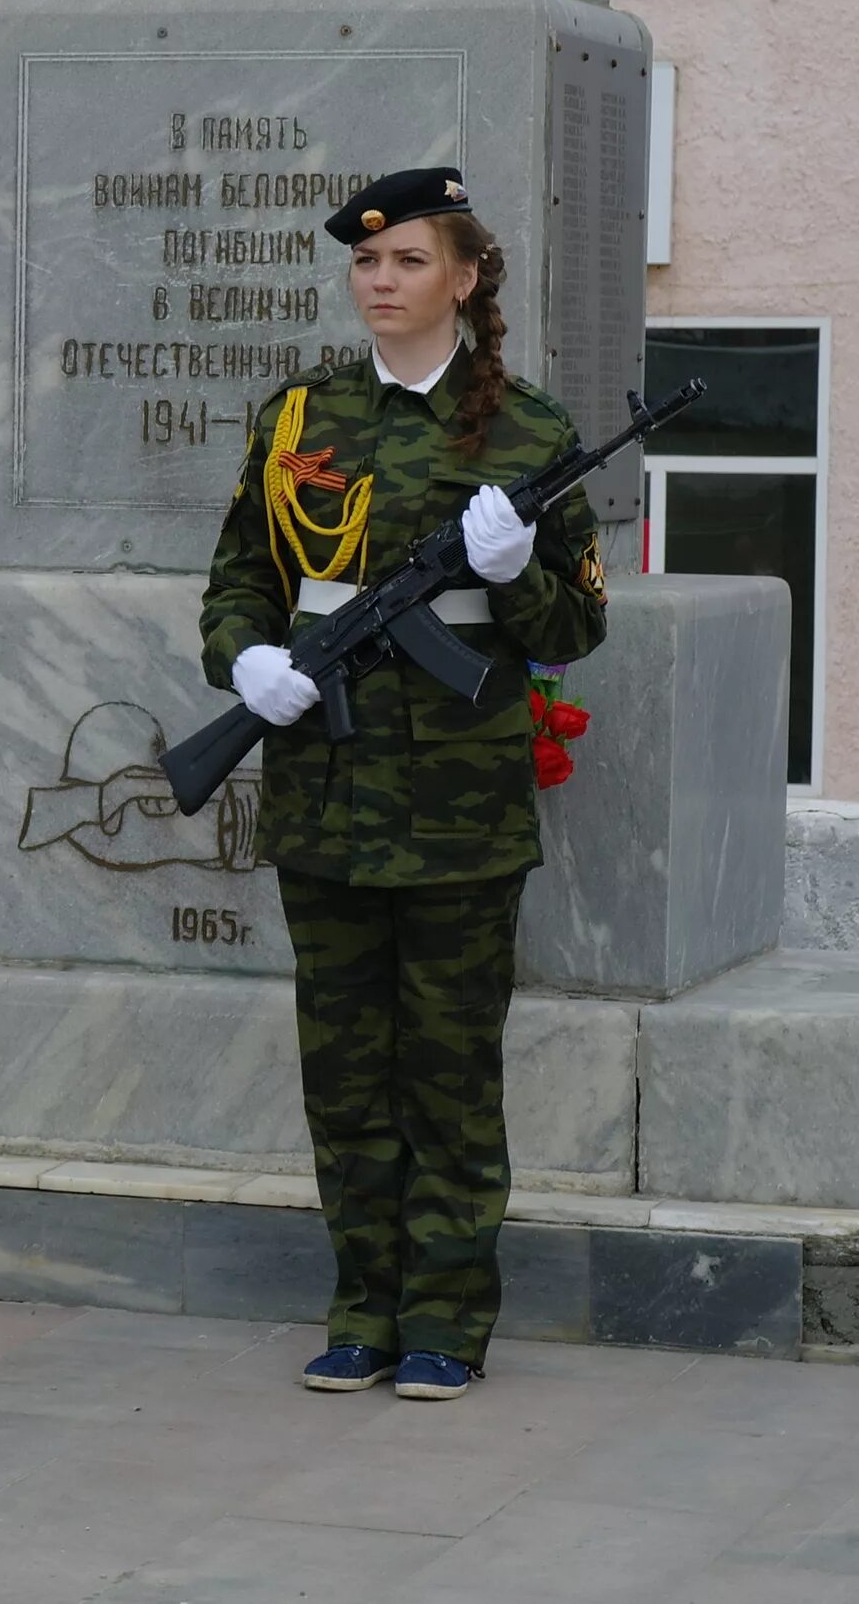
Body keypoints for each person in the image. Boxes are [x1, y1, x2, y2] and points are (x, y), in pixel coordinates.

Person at [197, 167, 608, 1405]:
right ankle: (360, 1306)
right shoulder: (296, 418)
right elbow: (238, 581)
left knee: (447, 1073)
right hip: (323, 794)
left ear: (467, 277)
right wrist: (248, 659)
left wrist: (519, 569)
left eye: (411, 261)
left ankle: (445, 1319)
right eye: (369, 264)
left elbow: (578, 626)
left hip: (460, 818)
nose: (382, 282)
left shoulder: (527, 432)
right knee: (344, 1072)